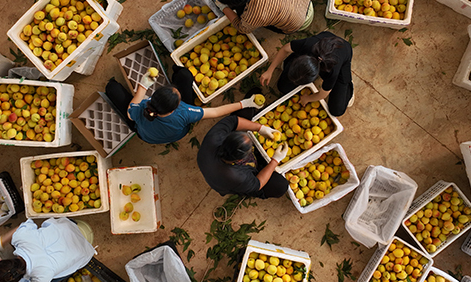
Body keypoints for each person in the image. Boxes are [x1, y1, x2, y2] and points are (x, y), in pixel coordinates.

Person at [104, 67, 264, 145]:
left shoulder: (141, 110)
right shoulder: (185, 112)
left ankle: (111, 85)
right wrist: (245, 103)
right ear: (174, 108)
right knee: (185, 76)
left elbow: (131, 110)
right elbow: (215, 112)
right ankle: (177, 70)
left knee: (112, 89)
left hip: (146, 135)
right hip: (177, 132)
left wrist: (143, 86)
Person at [0, 218, 95, 282]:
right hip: (68, 225)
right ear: (2, 262)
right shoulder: (22, 238)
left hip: (83, 251)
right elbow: (22, 227)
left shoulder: (40, 280)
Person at [197, 110, 290, 199]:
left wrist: (260, 128)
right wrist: (275, 160)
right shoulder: (236, 176)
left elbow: (234, 121)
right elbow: (258, 184)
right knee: (280, 186)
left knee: (245, 110)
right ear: (240, 160)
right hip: (226, 181)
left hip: (209, 163)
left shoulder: (214, 138)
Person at [260, 31, 354, 116]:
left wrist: (308, 98)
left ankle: (348, 86)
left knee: (337, 110)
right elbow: (285, 49)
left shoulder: (331, 70)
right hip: (323, 40)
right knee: (283, 87)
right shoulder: (308, 45)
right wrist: (270, 70)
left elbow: (323, 94)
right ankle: (289, 63)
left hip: (343, 51)